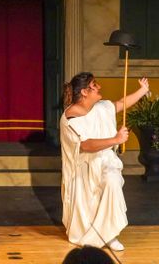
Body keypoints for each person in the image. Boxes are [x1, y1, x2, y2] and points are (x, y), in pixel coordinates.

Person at [60, 72, 149, 252]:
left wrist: (142, 90)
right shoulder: (71, 116)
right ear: (84, 92)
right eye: (95, 84)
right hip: (83, 169)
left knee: (112, 182)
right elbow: (85, 145)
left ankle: (109, 234)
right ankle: (93, 235)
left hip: (105, 162)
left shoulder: (101, 107)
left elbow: (121, 103)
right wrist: (116, 139)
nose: (99, 87)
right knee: (89, 206)